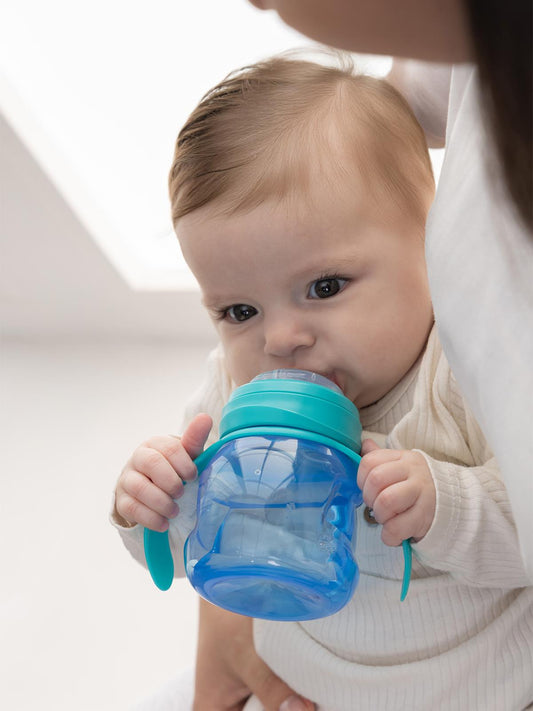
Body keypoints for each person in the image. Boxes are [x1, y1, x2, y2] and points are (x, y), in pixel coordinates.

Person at [111, 55, 533, 710]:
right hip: (304, 689)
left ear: (434, 244)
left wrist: (444, 503)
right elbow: (191, 547)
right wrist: (153, 505)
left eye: (325, 286)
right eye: (239, 311)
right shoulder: (232, 397)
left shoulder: (460, 371)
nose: (280, 339)